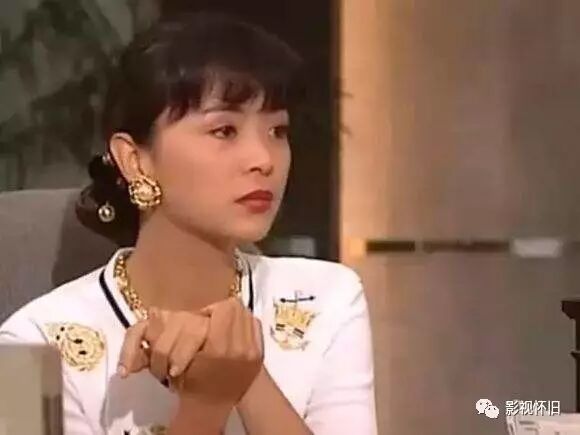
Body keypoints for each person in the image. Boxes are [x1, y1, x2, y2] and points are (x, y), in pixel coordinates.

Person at [0, 13, 376, 435]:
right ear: (135, 160)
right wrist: (206, 404)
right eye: (224, 130)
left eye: (277, 131)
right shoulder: (39, 344)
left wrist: (248, 377)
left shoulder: (323, 300)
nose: (264, 159)